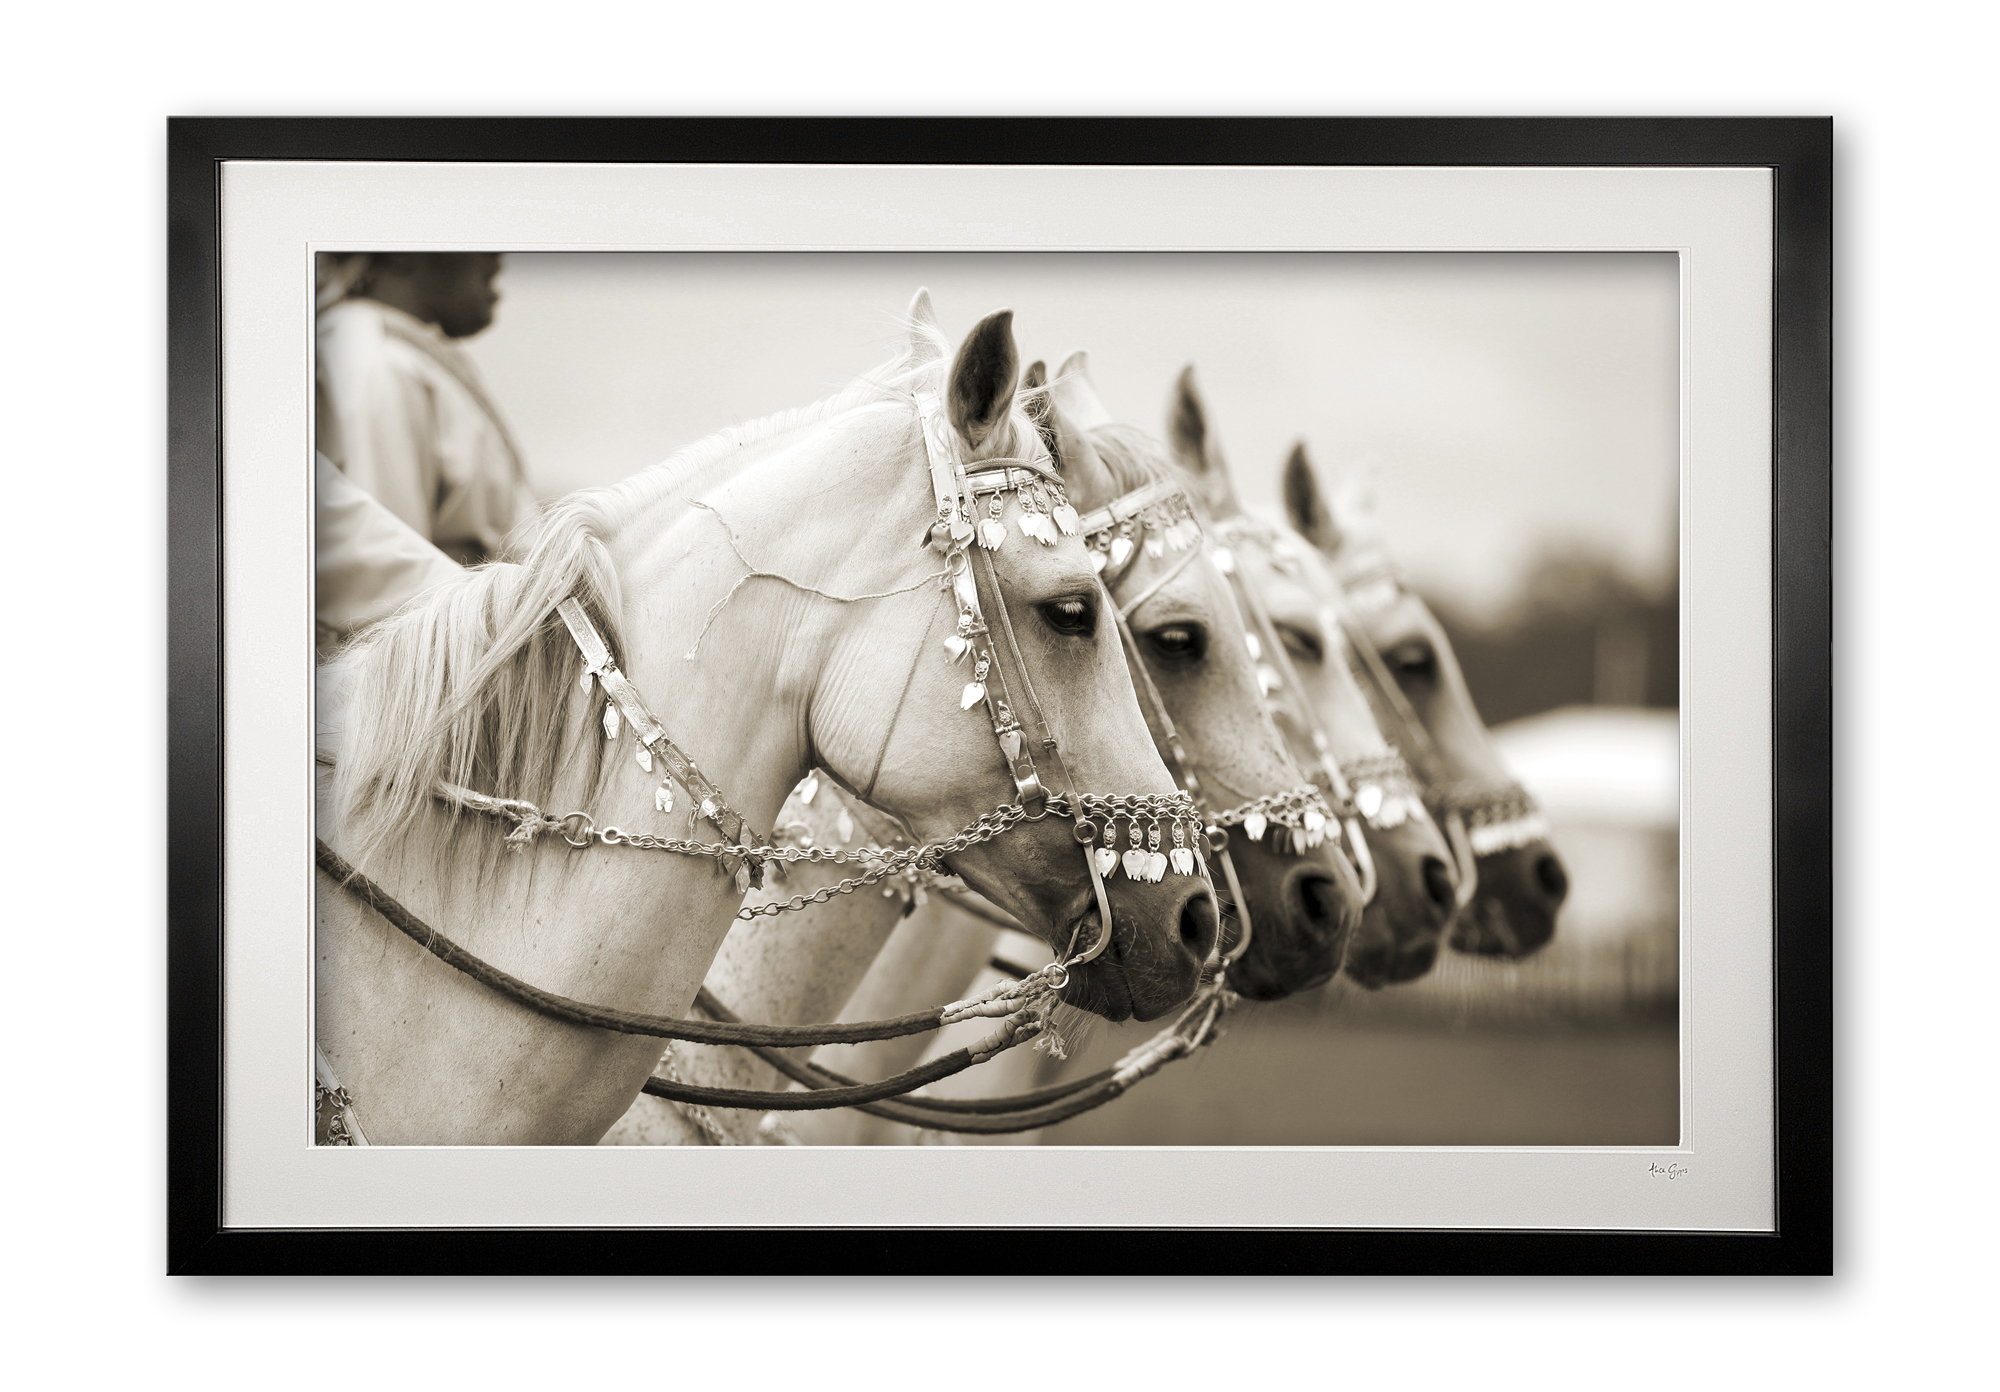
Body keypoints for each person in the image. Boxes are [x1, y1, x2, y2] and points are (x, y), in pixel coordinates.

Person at [315, 252, 535, 566]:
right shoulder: (378, 361)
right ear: (401, 252)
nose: (499, 254)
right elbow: (388, 579)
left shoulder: (403, 354)